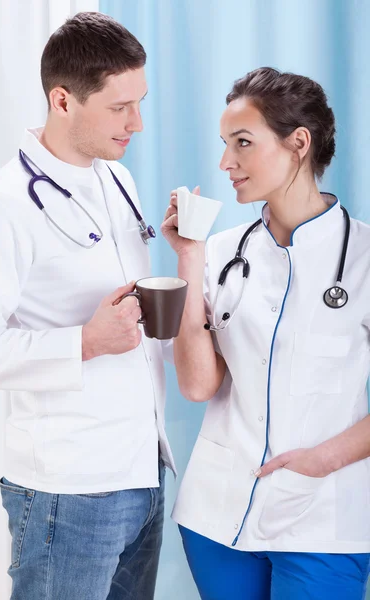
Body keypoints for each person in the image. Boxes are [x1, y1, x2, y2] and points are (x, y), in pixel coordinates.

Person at [0, 12, 175, 600]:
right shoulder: (3, 206)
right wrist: (84, 342)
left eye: (140, 102)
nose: (137, 122)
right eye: (119, 108)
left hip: (142, 472)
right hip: (68, 489)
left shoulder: (117, 180)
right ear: (62, 100)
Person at [162, 67, 370, 599]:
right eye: (224, 144)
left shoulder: (365, 258)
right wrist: (189, 257)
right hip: (217, 514)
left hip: (323, 518)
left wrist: (323, 460)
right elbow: (198, 385)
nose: (225, 163)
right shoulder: (219, 251)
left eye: (243, 143)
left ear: (299, 143)